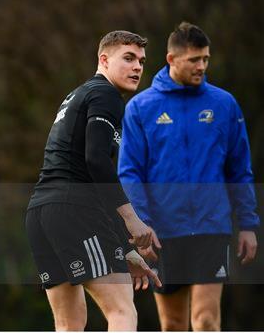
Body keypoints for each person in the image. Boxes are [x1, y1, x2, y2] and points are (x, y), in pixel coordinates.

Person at [119, 21, 259, 331]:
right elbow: (130, 173)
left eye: (206, 59)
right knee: (173, 325)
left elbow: (239, 169)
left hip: (211, 229)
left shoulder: (223, 104)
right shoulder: (141, 108)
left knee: (207, 320)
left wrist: (248, 224)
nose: (202, 66)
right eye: (194, 59)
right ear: (171, 59)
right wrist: (142, 226)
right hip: (165, 234)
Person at [26, 30, 161, 331]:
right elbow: (96, 162)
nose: (137, 67)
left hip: (41, 213)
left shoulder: (79, 94)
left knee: (69, 324)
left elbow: (90, 174)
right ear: (103, 59)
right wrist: (131, 220)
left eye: (141, 61)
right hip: (74, 210)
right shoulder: (105, 94)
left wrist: (124, 251)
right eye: (128, 58)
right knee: (122, 312)